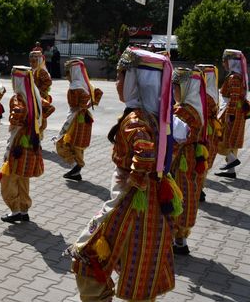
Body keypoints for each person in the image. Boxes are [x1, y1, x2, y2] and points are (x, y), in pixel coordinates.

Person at [66, 47, 177, 302]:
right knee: (141, 271)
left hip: (129, 205)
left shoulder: (136, 118)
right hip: (150, 208)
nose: (117, 83)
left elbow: (146, 155)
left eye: (120, 77)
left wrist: (132, 185)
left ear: (135, 82)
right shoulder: (157, 117)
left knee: (86, 259)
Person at [0, 65, 44, 223]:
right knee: (22, 178)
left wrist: (16, 119)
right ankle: (24, 209)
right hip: (32, 141)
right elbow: (47, 109)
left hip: (19, 142)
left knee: (8, 179)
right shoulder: (35, 96)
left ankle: (15, 210)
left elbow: (17, 113)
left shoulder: (18, 98)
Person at [170, 67, 208, 256]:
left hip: (180, 160)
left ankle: (173, 239)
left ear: (186, 89)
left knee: (177, 193)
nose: (173, 91)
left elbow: (175, 140)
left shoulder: (182, 110)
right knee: (189, 193)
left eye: (176, 87)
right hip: (192, 158)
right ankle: (181, 241)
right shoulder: (197, 108)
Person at [55, 58, 103, 181]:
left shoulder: (74, 87)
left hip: (75, 119)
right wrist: (87, 104)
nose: (67, 76)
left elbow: (74, 105)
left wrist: (82, 105)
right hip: (85, 119)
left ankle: (75, 166)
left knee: (61, 143)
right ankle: (76, 171)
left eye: (68, 73)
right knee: (78, 146)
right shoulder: (87, 85)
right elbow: (98, 94)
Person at [215, 49, 248, 179]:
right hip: (237, 112)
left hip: (231, 112)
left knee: (220, 138)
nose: (223, 64)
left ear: (231, 62)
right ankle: (231, 171)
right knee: (232, 142)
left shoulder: (234, 77)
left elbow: (234, 97)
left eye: (225, 61)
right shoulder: (240, 76)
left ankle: (232, 160)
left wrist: (230, 115)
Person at [195, 64, 220, 202]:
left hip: (205, 130)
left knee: (201, 159)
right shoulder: (213, 91)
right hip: (212, 129)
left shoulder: (205, 95)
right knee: (206, 160)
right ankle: (201, 188)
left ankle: (199, 190)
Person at [29, 50, 55, 137]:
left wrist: (38, 91)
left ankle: (38, 136)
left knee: (40, 117)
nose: (31, 63)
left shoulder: (41, 71)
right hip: (34, 97)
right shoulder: (32, 70)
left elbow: (48, 82)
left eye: (34, 61)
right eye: (30, 61)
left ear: (39, 61)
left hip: (41, 98)